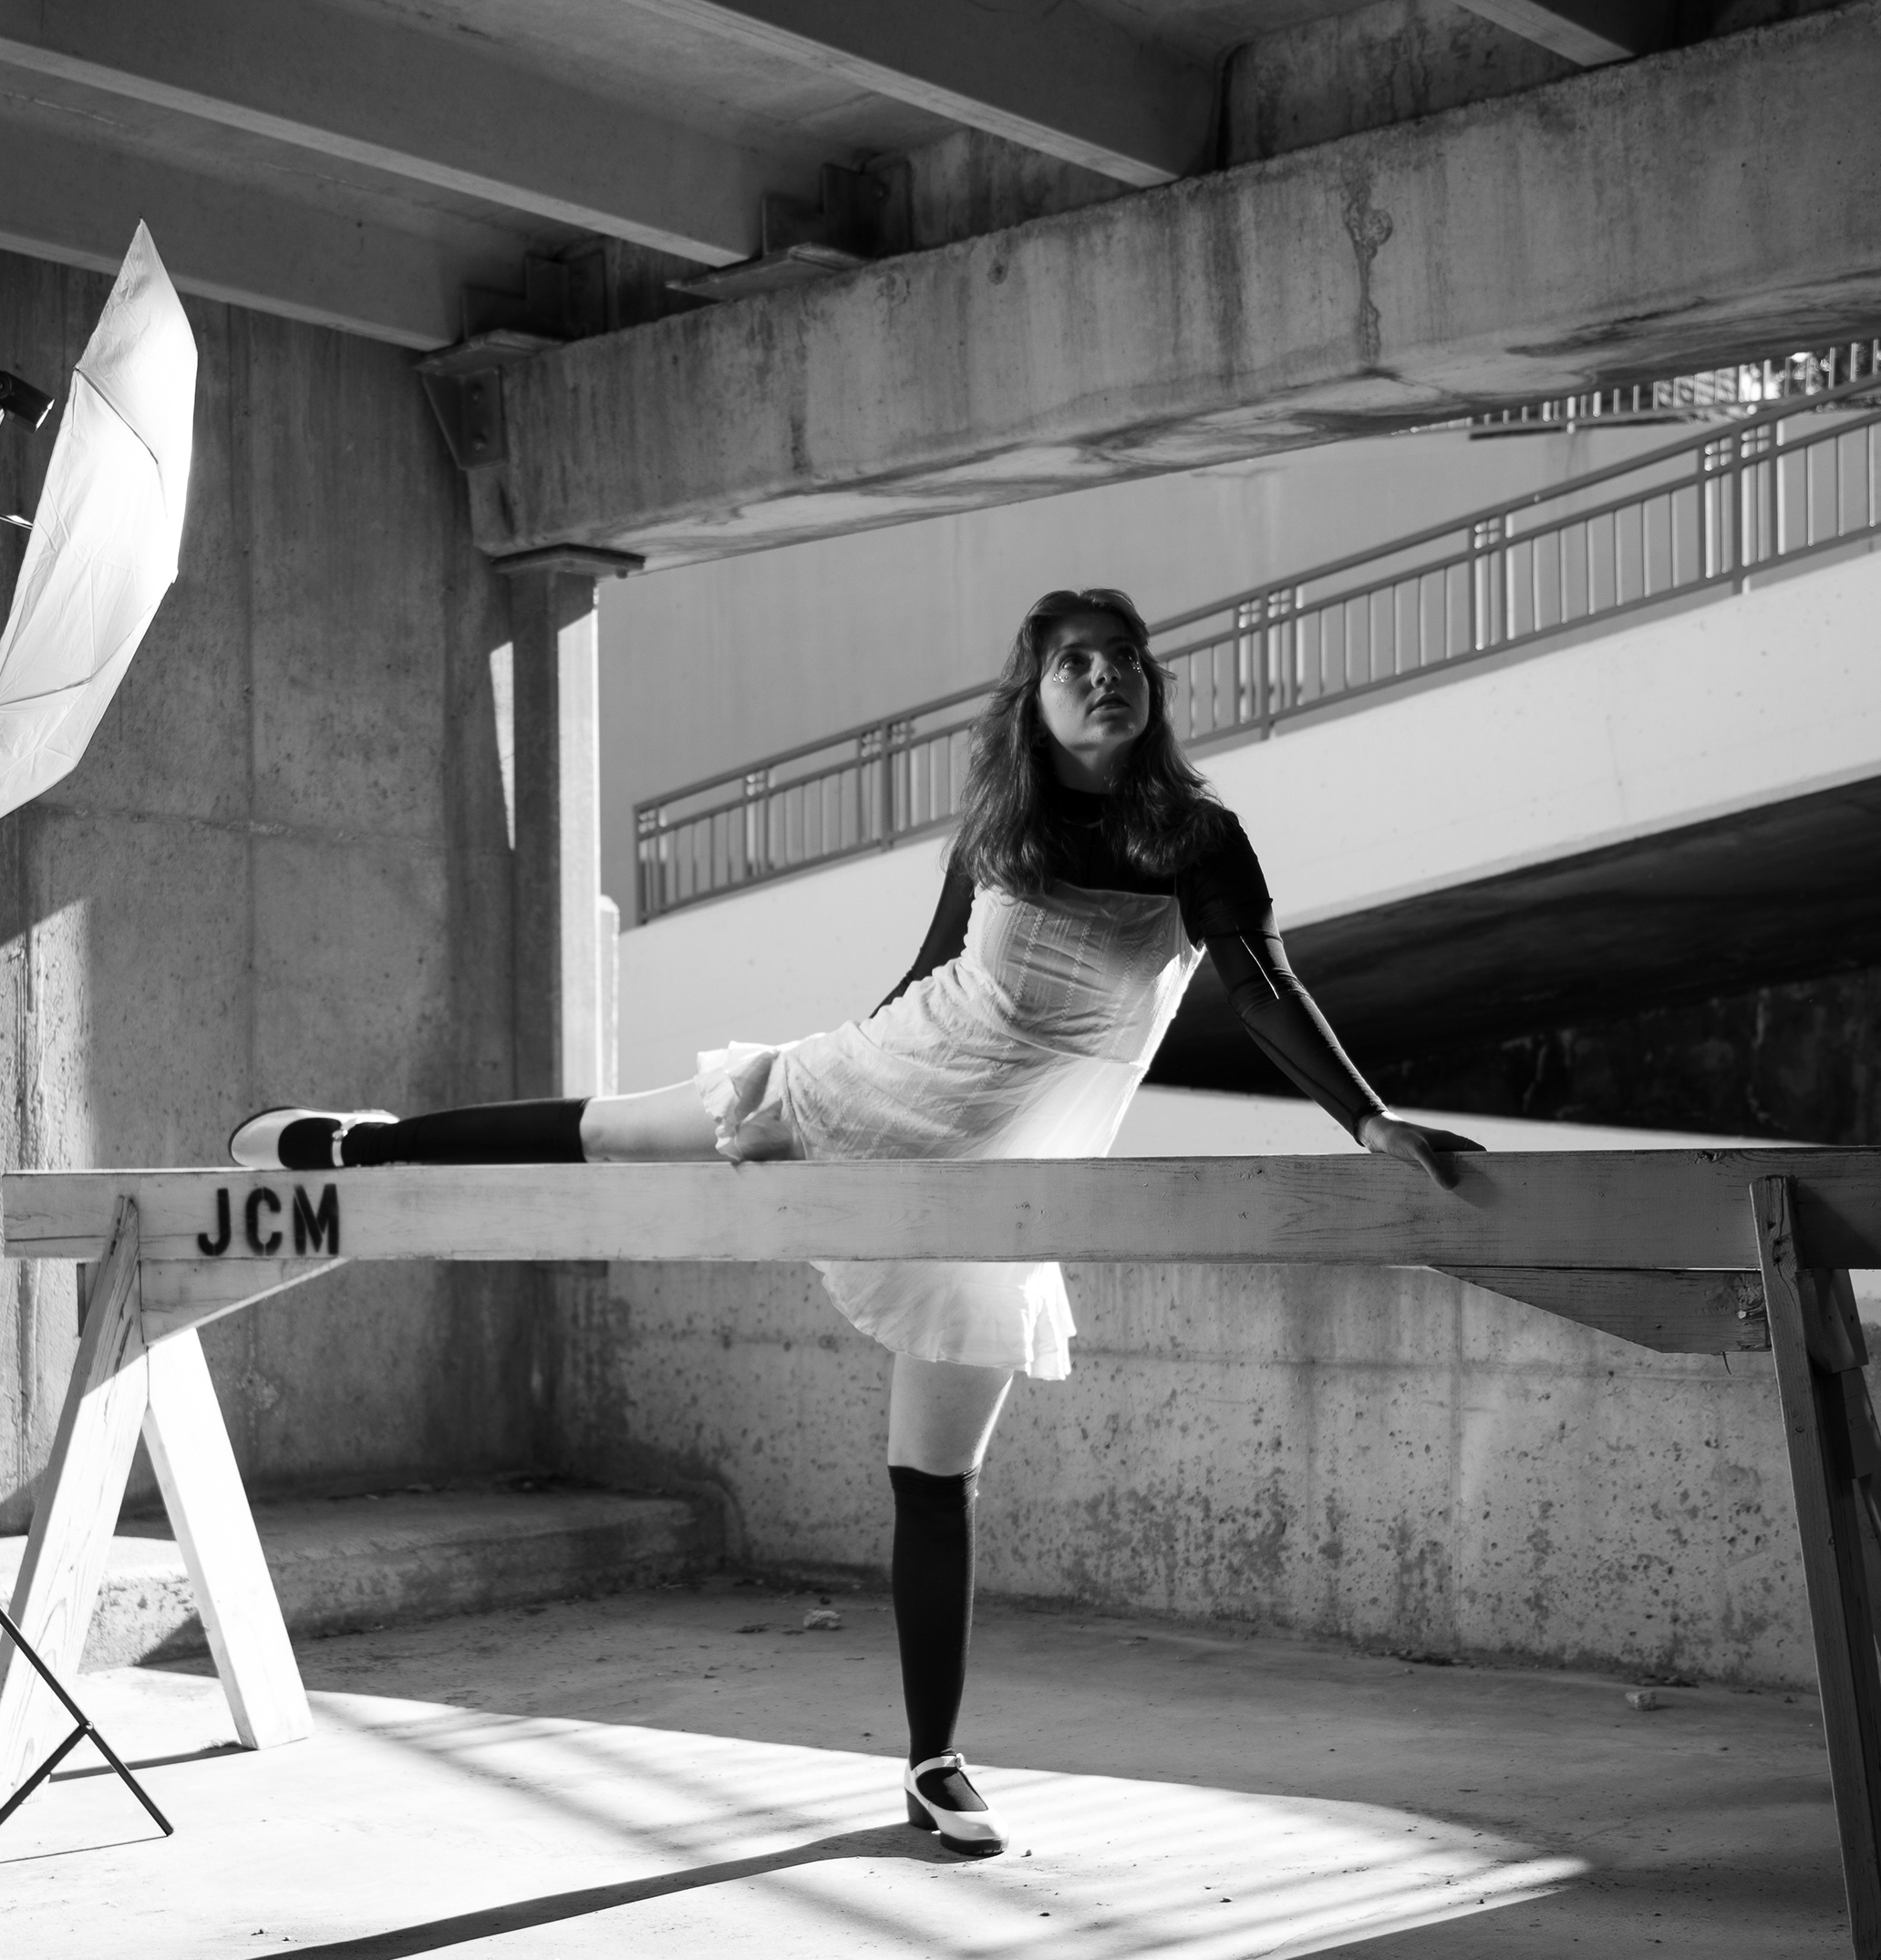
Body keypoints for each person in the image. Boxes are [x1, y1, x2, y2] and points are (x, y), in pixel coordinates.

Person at [233, 590, 1476, 1857]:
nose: (1104, 679)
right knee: (620, 1131)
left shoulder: (1200, 839)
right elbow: (929, 975)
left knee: (935, 1479)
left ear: (1151, 689)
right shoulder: (999, 825)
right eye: (1073, 663)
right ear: (1033, 696)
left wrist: (1369, 1121)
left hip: (1000, 1182)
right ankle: (365, 1142)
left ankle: (933, 1762)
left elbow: (1263, 987)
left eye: (1123, 662)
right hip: (882, 1083)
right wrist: (809, 1080)